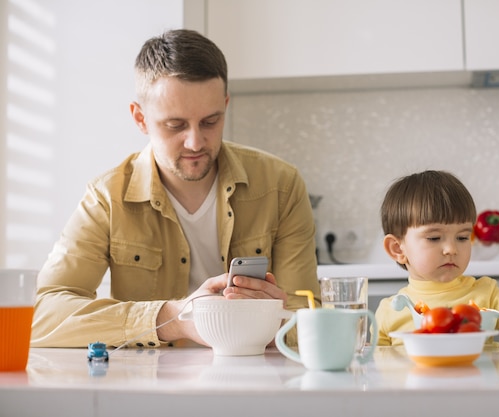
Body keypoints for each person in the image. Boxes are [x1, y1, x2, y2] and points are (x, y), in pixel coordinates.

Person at [31, 29, 320, 348]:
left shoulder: (281, 186)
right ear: (140, 118)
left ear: (225, 105)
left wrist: (274, 318)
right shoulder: (106, 197)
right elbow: (41, 314)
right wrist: (172, 317)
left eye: (211, 122)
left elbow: (309, 321)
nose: (195, 142)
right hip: (151, 387)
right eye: (175, 126)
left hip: (256, 383)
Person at [374, 170, 499, 350]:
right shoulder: (388, 311)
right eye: (434, 238)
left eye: (462, 237)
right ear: (397, 248)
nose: (451, 249)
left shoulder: (486, 293)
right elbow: (376, 371)